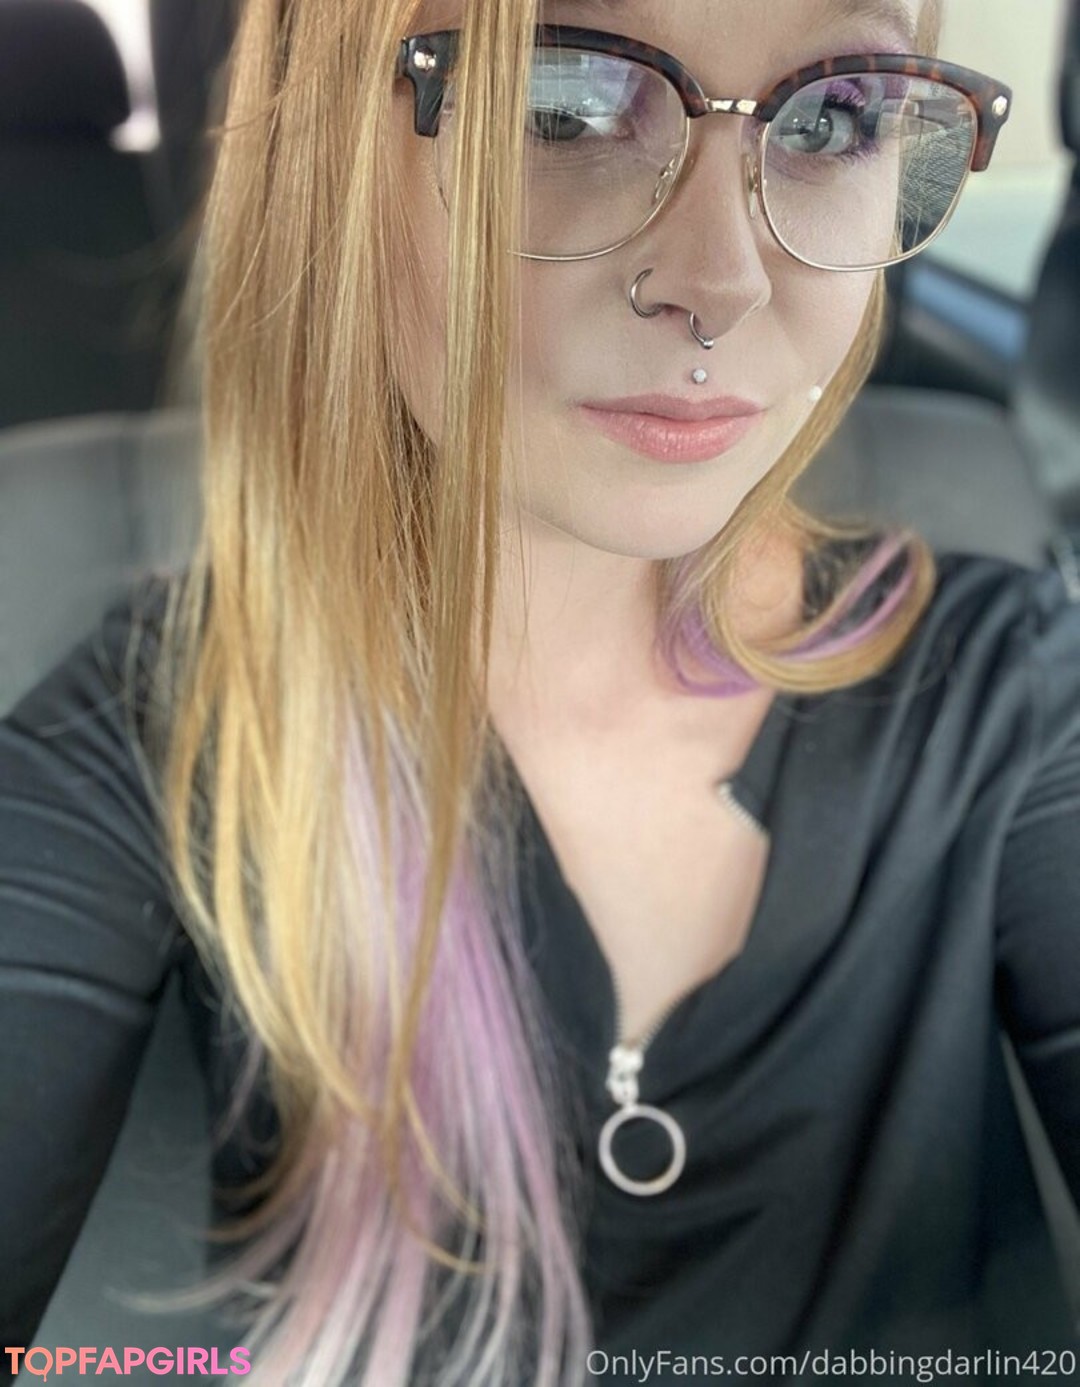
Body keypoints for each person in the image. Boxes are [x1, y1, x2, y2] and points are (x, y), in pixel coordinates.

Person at [2, 0, 1079, 1383]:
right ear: (325, 153)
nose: (724, 281)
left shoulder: (1012, 691)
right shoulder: (158, 735)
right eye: (557, 104)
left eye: (841, 116)